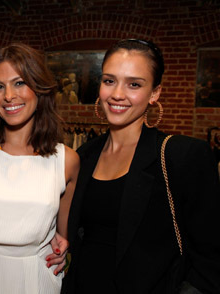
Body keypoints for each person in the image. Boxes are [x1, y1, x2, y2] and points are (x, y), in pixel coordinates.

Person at [62, 39, 220, 293]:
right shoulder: (84, 155)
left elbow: (210, 259)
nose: (117, 94)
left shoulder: (182, 156)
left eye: (134, 84)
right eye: (109, 80)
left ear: (155, 93)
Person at [0, 43, 80, 294]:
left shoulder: (65, 160)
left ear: (40, 88)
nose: (9, 96)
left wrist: (64, 248)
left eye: (20, 82)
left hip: (33, 279)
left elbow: (63, 239)